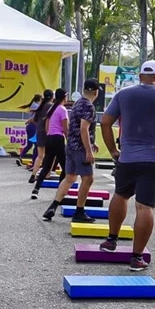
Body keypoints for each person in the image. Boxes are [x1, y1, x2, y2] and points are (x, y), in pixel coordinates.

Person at [99, 60, 155, 271]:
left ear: (139, 76)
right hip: (153, 158)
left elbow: (104, 122)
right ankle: (136, 257)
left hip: (127, 159)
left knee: (120, 196)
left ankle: (111, 240)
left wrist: (113, 150)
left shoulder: (123, 94)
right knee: (144, 206)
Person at [41, 79, 101, 223]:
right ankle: (79, 211)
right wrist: (88, 150)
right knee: (88, 178)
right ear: (96, 92)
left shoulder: (78, 103)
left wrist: (93, 142)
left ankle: (53, 206)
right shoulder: (89, 106)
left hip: (71, 146)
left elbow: (75, 127)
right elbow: (83, 128)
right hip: (80, 148)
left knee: (70, 178)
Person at [31, 89, 69, 200]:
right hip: (58, 139)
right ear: (64, 97)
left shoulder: (52, 109)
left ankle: (36, 189)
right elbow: (65, 128)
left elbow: (47, 125)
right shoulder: (62, 109)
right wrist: (69, 140)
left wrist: (49, 135)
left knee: (46, 166)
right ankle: (60, 192)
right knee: (65, 167)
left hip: (50, 138)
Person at [28, 89, 54, 182]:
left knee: (40, 156)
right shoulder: (51, 106)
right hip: (48, 132)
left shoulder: (41, 106)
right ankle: (47, 174)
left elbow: (34, 119)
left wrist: (39, 126)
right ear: (52, 97)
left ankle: (33, 174)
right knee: (50, 155)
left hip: (39, 132)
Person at [18, 94, 42, 162]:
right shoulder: (36, 106)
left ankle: (21, 156)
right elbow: (35, 117)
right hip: (33, 126)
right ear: (39, 99)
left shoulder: (33, 105)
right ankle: (34, 161)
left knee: (30, 144)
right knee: (36, 145)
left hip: (30, 127)